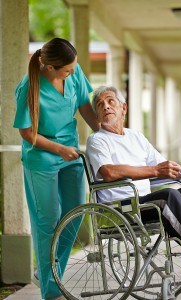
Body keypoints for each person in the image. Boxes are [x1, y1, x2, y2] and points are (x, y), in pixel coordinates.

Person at [13, 38, 99, 300]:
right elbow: (27, 132)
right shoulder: (29, 86)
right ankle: (51, 290)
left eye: (73, 68)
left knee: (74, 215)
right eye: (66, 70)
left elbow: (85, 104)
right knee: (48, 222)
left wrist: (107, 135)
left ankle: (48, 272)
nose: (72, 72)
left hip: (70, 153)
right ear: (49, 68)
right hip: (42, 159)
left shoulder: (72, 69)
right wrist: (59, 149)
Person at [86, 85, 181, 269]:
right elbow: (108, 172)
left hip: (144, 203)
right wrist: (155, 171)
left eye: (110, 101)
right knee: (168, 196)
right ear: (97, 116)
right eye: (100, 105)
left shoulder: (136, 137)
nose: (106, 106)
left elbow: (163, 167)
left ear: (123, 108)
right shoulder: (97, 140)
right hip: (121, 208)